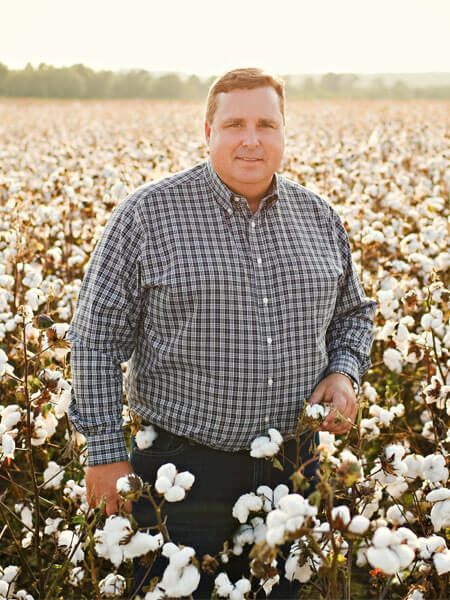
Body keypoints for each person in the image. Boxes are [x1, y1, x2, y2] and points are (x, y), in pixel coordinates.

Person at [67, 67, 377, 598]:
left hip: (293, 468)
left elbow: (353, 314)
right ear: (207, 131)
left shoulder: (319, 218)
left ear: (284, 132)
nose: (251, 139)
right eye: (234, 123)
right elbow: (95, 338)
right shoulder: (148, 216)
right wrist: (103, 451)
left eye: (266, 124)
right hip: (181, 469)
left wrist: (344, 373)